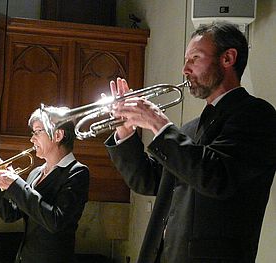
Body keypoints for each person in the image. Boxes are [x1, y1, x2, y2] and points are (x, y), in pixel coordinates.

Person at [104, 22, 276, 263]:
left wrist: (158, 124)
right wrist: (124, 129)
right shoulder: (190, 129)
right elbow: (148, 181)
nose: (185, 69)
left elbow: (217, 177)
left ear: (228, 58)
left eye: (195, 58)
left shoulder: (256, 115)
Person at [0, 107, 90, 263]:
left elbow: (55, 221)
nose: (32, 139)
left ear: (58, 135)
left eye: (37, 132)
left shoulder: (77, 172)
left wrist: (15, 184)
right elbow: (10, 214)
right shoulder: (35, 173)